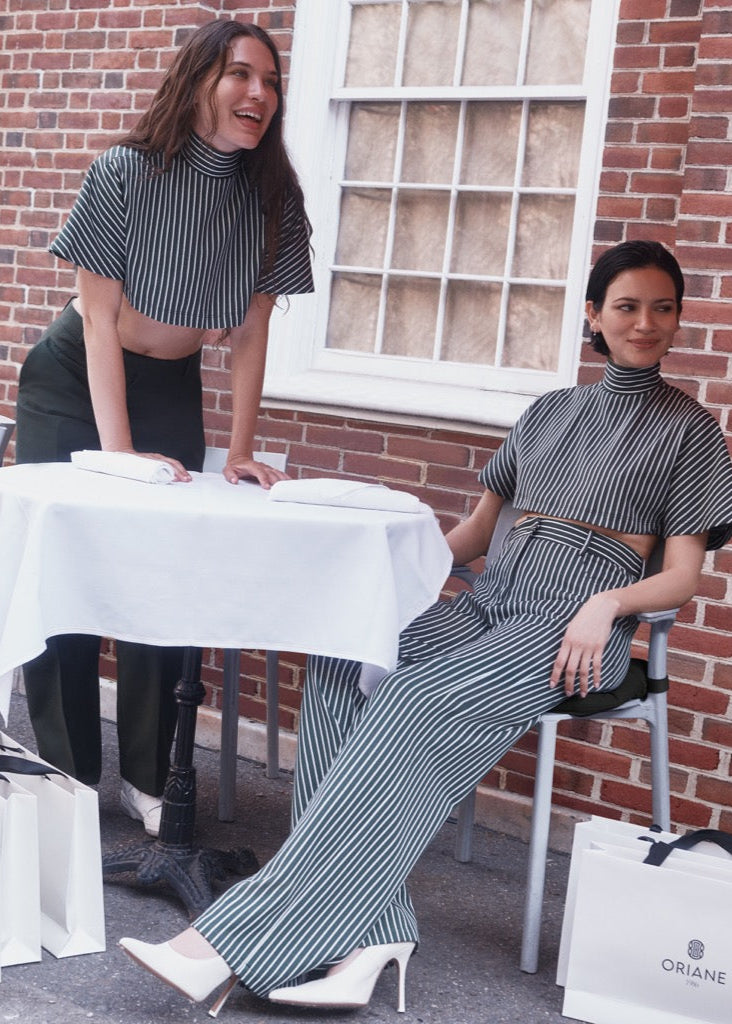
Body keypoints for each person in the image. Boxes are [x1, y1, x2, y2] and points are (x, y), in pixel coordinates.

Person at [119, 241, 732, 1014]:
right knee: (345, 659)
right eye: (627, 306)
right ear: (594, 317)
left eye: (663, 308)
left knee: (413, 698)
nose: (645, 323)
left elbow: (683, 575)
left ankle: (228, 940)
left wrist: (608, 604)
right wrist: (390, 589)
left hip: (575, 625)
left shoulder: (692, 433)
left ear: (677, 320)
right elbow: (475, 533)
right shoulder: (549, 412)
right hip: (487, 602)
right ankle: (373, 929)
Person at [15, 19, 313, 836]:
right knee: (63, 572)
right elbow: (102, 320)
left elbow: (250, 335)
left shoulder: (272, 200)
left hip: (173, 385)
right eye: (241, 74)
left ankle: (147, 777)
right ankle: (64, 782)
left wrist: (243, 448)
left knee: (161, 577)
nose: (259, 93)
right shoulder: (122, 171)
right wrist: (118, 459)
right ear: (198, 82)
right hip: (76, 375)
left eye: (272, 80)